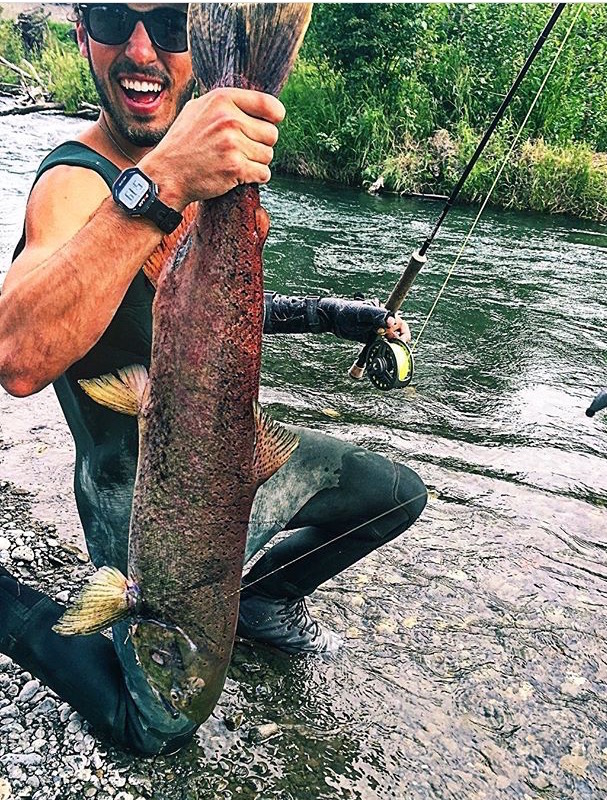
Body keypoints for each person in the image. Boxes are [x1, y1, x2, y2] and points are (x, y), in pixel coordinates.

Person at [0, 3, 427, 754]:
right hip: (142, 506)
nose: (141, 49)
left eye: (169, 24)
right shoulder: (75, 182)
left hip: (229, 473)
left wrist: (336, 314)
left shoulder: (206, 169)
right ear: (80, 34)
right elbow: (17, 353)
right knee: (158, 722)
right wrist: (159, 184)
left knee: (394, 496)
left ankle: (258, 601)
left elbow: (215, 324)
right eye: (111, 19)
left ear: (196, 47)